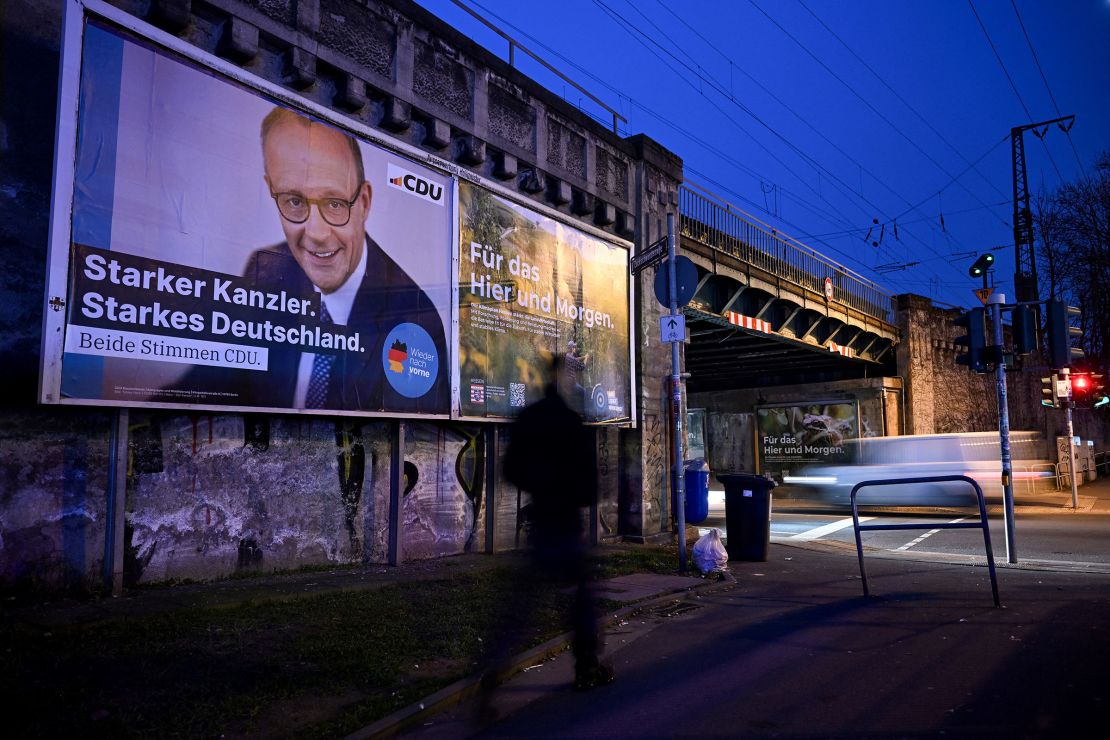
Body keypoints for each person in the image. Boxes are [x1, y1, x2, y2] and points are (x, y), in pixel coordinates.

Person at [177, 107, 448, 413]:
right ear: (271, 190)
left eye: (334, 204)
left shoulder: (414, 318)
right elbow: (200, 388)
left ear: (364, 202)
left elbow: (408, 445)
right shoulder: (266, 271)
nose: (316, 234)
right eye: (294, 201)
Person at [500, 355, 614, 692]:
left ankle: (491, 675)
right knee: (581, 601)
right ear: (562, 379)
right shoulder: (572, 423)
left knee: (518, 608)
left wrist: (539, 484)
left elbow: (510, 470)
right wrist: (569, 491)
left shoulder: (528, 418)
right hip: (566, 527)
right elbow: (590, 490)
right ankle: (587, 667)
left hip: (541, 526)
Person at [563, 339, 590, 416]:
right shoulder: (572, 359)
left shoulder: (567, 356)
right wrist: (586, 358)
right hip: (572, 384)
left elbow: (575, 359)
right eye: (574, 347)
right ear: (572, 348)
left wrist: (583, 356)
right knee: (584, 393)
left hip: (566, 384)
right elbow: (582, 367)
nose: (575, 348)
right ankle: (583, 414)